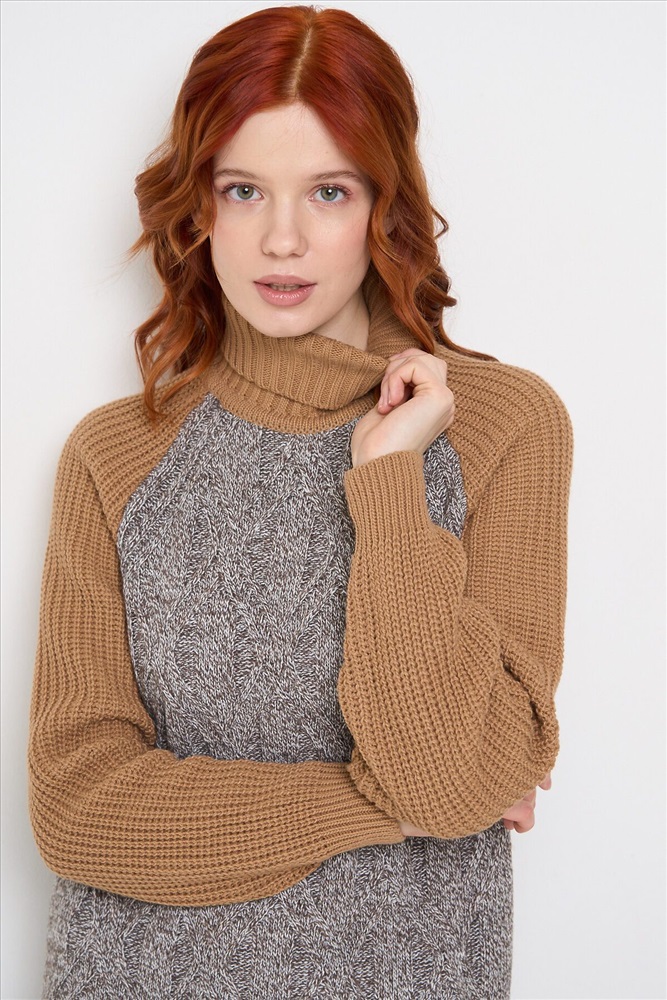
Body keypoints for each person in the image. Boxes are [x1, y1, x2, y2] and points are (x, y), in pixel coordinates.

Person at [27, 4, 573, 998]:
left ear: (384, 204)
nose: (281, 239)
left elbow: (449, 774)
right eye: (243, 191)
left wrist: (389, 480)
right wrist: (380, 810)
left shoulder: (499, 428)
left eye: (328, 191)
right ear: (199, 209)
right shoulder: (117, 454)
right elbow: (78, 809)